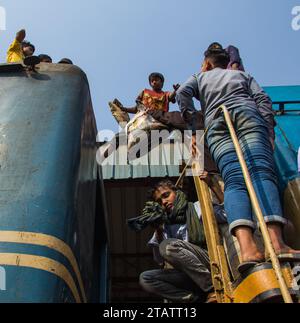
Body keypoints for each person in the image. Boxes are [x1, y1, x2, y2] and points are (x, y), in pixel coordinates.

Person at [176, 47, 300, 272]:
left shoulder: (199, 77)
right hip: (246, 115)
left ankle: (247, 250)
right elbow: (262, 99)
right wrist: (269, 132)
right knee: (260, 173)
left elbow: (182, 93)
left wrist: (193, 127)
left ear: (206, 64)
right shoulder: (242, 75)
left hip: (216, 124)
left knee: (233, 180)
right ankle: (276, 243)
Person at [136, 180, 227, 303]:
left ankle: (212, 287)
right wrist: (158, 229)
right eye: (159, 201)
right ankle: (193, 299)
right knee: (146, 278)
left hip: (208, 262)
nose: (164, 202)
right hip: (188, 275)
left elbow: (225, 214)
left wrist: (212, 185)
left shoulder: (197, 207)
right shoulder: (163, 225)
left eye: (166, 195)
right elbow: (160, 261)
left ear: (177, 192)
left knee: (167, 246)